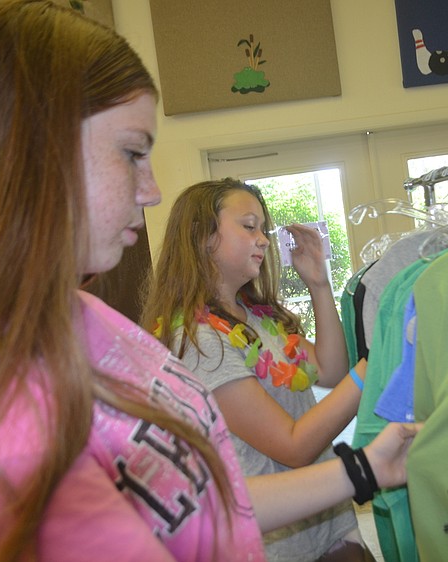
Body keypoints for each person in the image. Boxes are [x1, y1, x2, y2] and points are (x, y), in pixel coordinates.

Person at [0, 2, 420, 561]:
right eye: (132, 152)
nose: (152, 190)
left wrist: (366, 467)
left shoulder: (86, 318)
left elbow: (196, 504)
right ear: (33, 151)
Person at [141, 178, 373, 560]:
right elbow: (294, 446)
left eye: (264, 229)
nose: (263, 239)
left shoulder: (258, 318)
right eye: (249, 226)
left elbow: (331, 370)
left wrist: (317, 283)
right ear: (203, 237)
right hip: (277, 547)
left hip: (330, 526)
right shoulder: (197, 341)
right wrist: (375, 364)